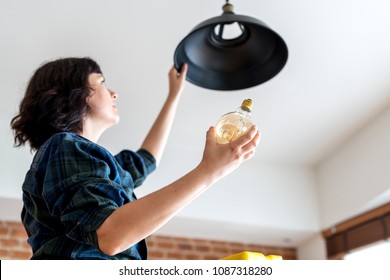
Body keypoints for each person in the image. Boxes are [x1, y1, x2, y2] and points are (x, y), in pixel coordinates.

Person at [10, 57, 260, 260]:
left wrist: (174, 95)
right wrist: (209, 171)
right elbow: (111, 234)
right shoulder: (63, 147)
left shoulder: (98, 166)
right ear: (78, 93)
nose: (114, 93)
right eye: (102, 82)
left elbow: (147, 159)